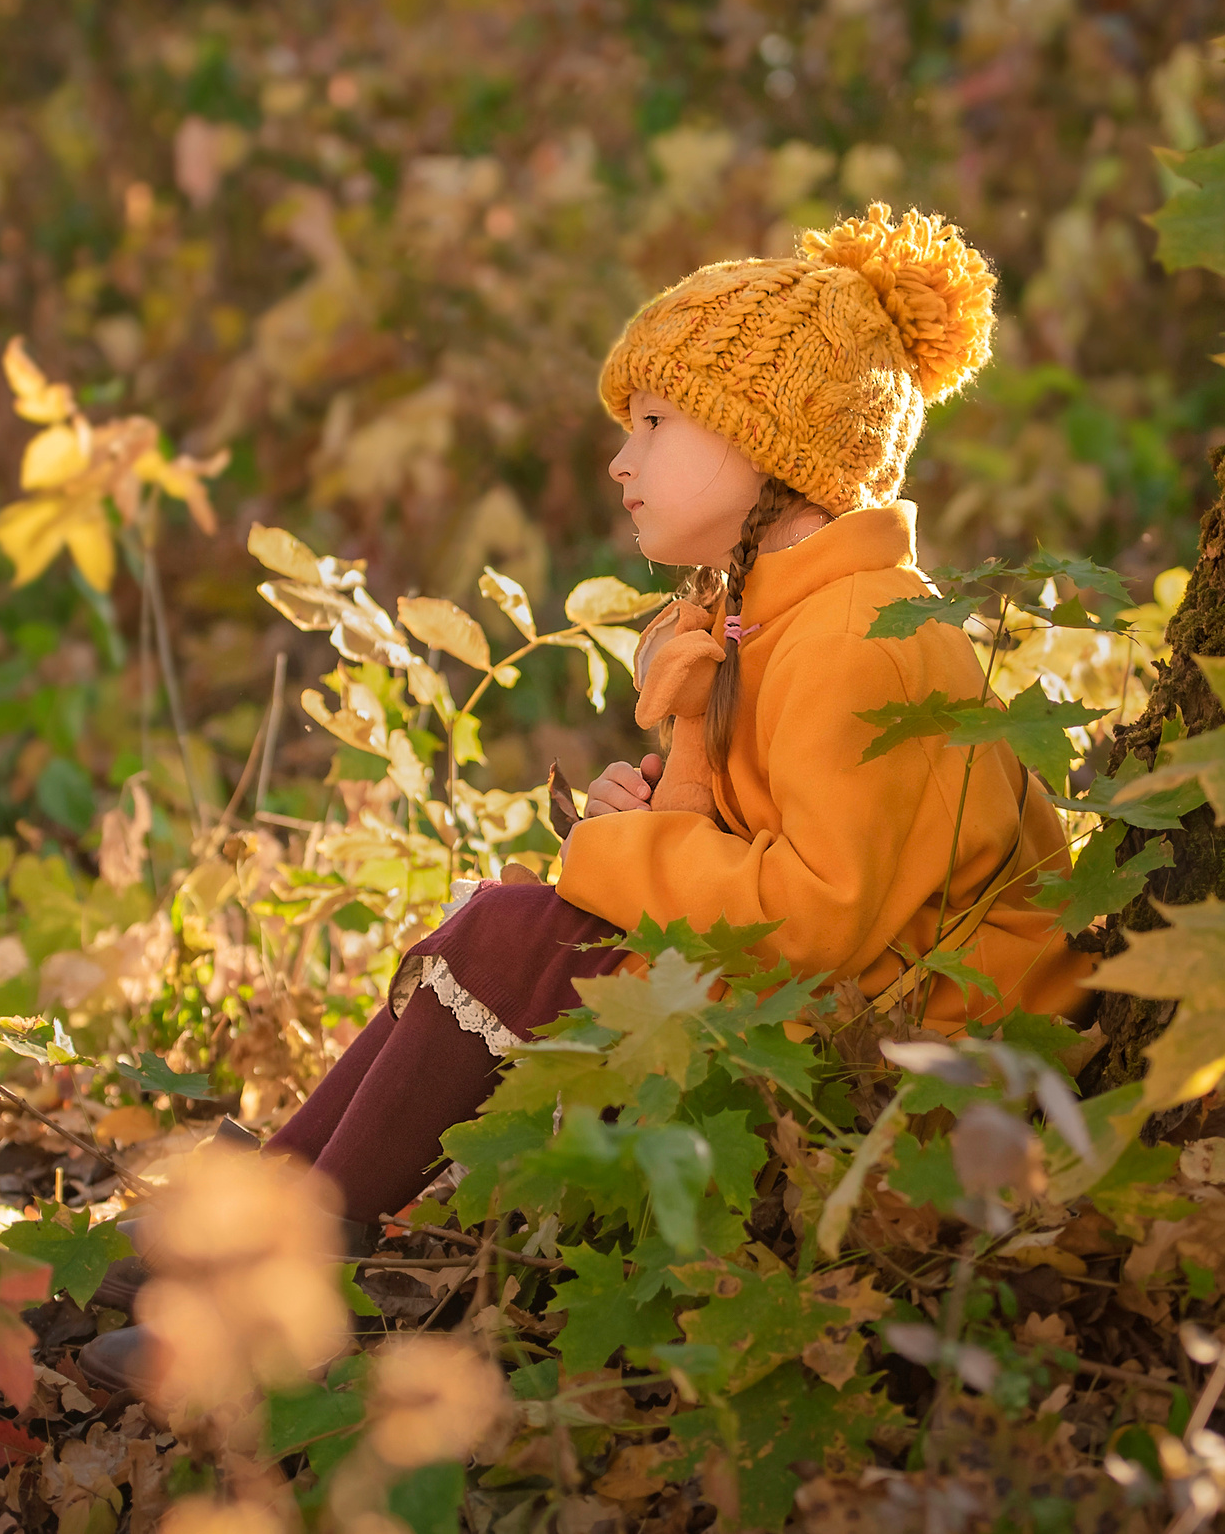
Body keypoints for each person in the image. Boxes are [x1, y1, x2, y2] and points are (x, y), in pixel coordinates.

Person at [79, 202, 1093, 1393]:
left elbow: (820, 910)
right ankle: (273, 1218)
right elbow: (761, 859)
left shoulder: (859, 640)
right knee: (509, 920)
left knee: (522, 924)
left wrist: (623, 851)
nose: (622, 459)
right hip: (849, 999)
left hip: (931, 1070)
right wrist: (667, 789)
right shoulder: (768, 615)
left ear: (773, 445)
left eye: (657, 422)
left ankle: (286, 1268)